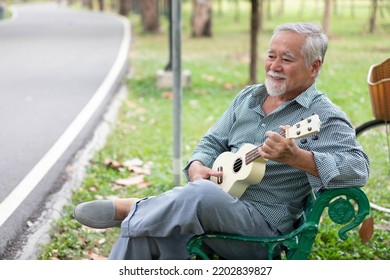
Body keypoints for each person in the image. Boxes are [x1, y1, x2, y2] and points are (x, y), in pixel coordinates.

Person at [74, 22, 369, 260]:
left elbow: (358, 169)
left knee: (199, 195)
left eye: (287, 59)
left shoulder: (325, 117)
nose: (274, 66)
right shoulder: (248, 97)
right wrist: (197, 165)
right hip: (214, 205)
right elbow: (212, 141)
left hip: (261, 230)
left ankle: (134, 207)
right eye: (271, 55)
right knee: (143, 232)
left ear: (314, 67)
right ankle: (139, 218)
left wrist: (297, 157)